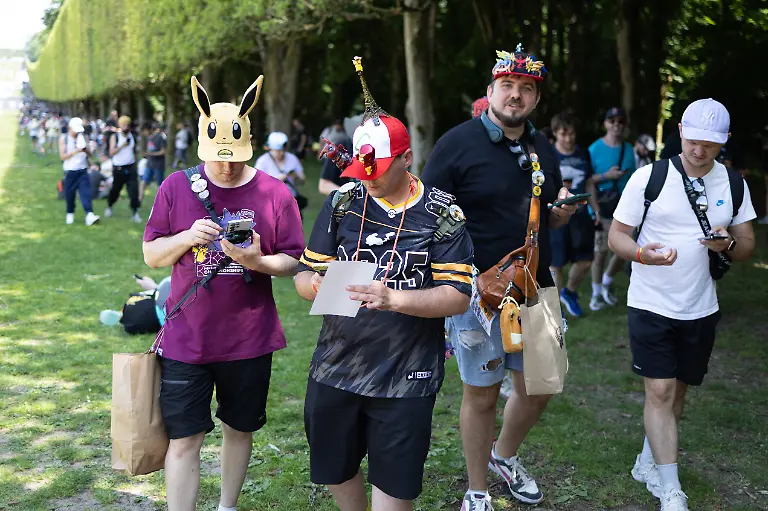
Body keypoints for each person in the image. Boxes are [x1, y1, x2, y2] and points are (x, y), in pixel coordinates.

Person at [295, 56, 474, 511]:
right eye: (362, 171)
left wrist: (393, 298)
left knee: (394, 492)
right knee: (333, 468)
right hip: (336, 367)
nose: (368, 182)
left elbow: (457, 296)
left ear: (407, 157)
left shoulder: (442, 212)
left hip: (406, 378)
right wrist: (318, 287)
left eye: (379, 170)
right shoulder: (341, 203)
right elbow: (304, 274)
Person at [421, 44, 583, 511]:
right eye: (508, 86)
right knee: (482, 394)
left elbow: (545, 216)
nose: (516, 96)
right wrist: (449, 283)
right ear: (490, 91)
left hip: (536, 285)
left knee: (543, 383)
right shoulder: (456, 144)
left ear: (535, 99)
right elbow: (430, 218)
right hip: (478, 291)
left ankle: (503, 456)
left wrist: (560, 213)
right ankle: (476, 489)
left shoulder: (543, 148)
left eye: (526, 89)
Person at [142, 74, 304, 511]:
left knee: (240, 428)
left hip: (249, 338)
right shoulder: (176, 186)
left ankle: (227, 506)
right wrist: (187, 237)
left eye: (234, 158)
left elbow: (293, 260)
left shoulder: (274, 193)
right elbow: (152, 255)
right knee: (184, 436)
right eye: (218, 159)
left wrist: (255, 260)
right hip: (186, 339)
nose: (226, 167)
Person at [608, 98, 756, 511]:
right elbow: (616, 236)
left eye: (709, 143)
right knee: (659, 389)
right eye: (692, 140)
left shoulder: (734, 184)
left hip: (700, 306)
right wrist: (642, 254)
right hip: (650, 302)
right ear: (680, 131)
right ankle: (671, 491)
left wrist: (726, 243)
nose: (698, 149)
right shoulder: (648, 178)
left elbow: (747, 246)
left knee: (676, 395)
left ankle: (646, 459)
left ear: (724, 141)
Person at [548, 111, 601, 318]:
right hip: (557, 215)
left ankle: (569, 292)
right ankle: (554, 308)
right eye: (563, 134)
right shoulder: (549, 155)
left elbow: (589, 182)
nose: (568, 138)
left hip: (580, 214)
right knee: (556, 264)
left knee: (586, 260)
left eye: (571, 134)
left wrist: (595, 209)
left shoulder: (582, 153)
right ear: (555, 134)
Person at [588, 107, 636, 311]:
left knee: (624, 249)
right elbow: (587, 180)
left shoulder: (629, 150)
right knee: (600, 252)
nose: (617, 124)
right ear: (605, 124)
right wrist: (607, 176)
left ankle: (607, 281)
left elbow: (634, 179)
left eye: (621, 121)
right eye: (612, 120)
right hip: (602, 207)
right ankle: (596, 293)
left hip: (625, 208)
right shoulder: (594, 149)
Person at [60, 117, 100, 226]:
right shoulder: (65, 139)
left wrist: (86, 150)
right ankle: (70, 213)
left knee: (85, 193)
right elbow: (62, 156)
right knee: (70, 195)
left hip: (82, 170)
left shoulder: (82, 137)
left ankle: (89, 214)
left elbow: (90, 154)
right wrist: (75, 151)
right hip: (70, 172)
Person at [254, 132, 307, 211]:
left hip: (290, 202)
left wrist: (296, 177)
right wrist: (276, 180)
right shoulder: (262, 161)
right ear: (271, 149)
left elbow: (303, 179)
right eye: (278, 151)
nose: (281, 153)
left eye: (283, 150)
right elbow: (256, 185)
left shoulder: (292, 159)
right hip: (270, 203)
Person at [106, 115, 142, 222]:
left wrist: (137, 163)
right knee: (116, 190)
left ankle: (135, 212)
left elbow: (134, 151)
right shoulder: (115, 137)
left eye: (127, 124)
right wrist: (122, 145)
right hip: (118, 168)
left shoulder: (133, 136)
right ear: (120, 125)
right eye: (124, 124)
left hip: (131, 167)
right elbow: (111, 152)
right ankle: (109, 206)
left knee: (133, 190)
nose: (126, 126)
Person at [140, 122, 167, 202]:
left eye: (144, 131)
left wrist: (151, 154)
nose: (144, 133)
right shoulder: (149, 138)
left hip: (158, 165)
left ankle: (162, 203)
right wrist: (146, 154)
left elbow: (163, 152)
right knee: (143, 182)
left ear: (148, 129)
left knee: (160, 185)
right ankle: (139, 201)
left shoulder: (160, 137)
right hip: (149, 164)